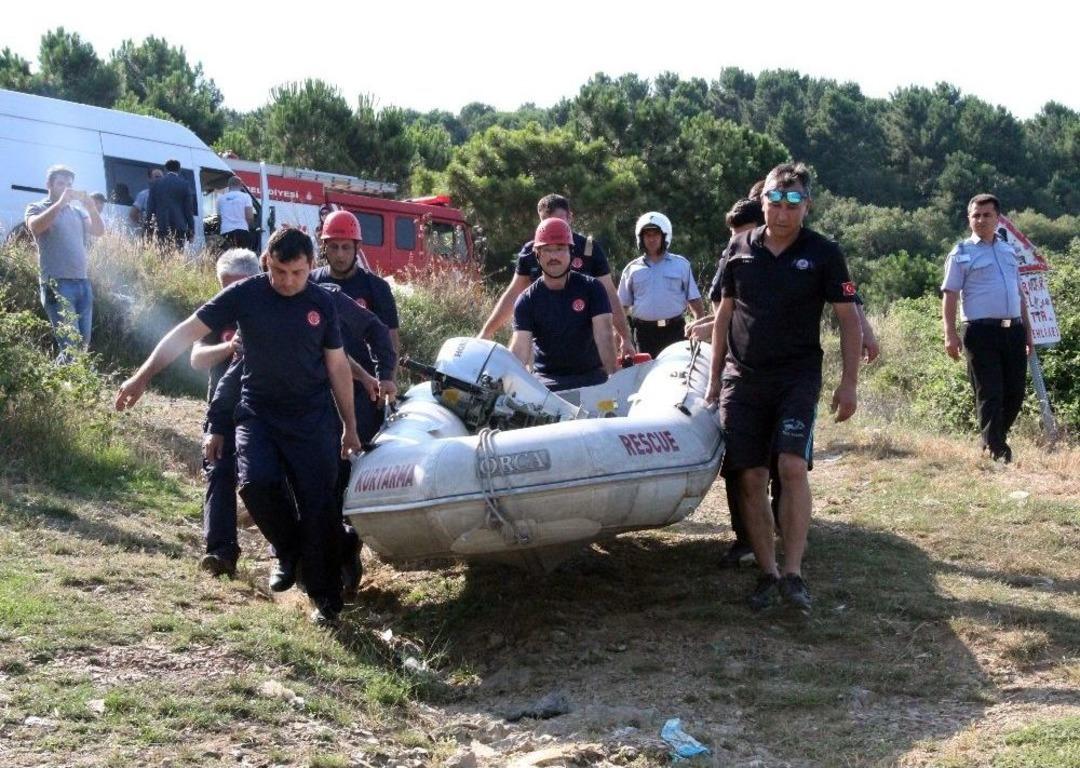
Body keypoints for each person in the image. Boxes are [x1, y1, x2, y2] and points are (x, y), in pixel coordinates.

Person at [115, 227, 362, 626]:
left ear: (310, 266)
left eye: (297, 273)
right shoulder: (246, 294)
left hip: (311, 417)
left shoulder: (321, 303)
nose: (288, 282)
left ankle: (326, 601)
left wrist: (349, 425)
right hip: (258, 413)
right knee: (255, 484)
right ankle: (289, 551)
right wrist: (142, 377)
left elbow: (336, 365)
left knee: (320, 505)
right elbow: (185, 332)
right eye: (279, 272)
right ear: (266, 263)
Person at [705, 162, 863, 615]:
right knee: (750, 475)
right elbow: (723, 315)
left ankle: (794, 574)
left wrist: (848, 384)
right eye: (774, 199)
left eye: (793, 201)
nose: (782, 209)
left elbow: (848, 320)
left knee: (791, 465)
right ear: (763, 202)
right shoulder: (739, 248)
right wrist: (714, 382)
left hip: (797, 377)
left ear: (806, 205)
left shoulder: (824, 252)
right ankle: (768, 573)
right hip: (743, 378)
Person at [478, 194, 634, 358]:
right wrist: (486, 333)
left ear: (570, 217)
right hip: (543, 345)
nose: (554, 227)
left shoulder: (589, 250)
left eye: (559, 220)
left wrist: (625, 338)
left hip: (586, 345)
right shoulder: (531, 252)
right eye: (547, 221)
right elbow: (512, 294)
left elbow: (610, 294)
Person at [942, 193, 1032, 463]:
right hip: (980, 332)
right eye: (976, 215)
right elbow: (950, 294)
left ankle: (991, 440)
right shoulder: (961, 252)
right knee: (990, 391)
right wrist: (950, 334)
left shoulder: (1008, 251)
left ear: (998, 218)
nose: (980, 220)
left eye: (986, 215)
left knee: (1015, 393)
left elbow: (1019, 294)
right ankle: (997, 450)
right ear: (969, 219)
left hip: (1013, 331)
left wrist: (1028, 333)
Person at [189, 249, 262, 577]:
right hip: (221, 412)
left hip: (261, 410)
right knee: (218, 471)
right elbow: (196, 359)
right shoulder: (215, 312)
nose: (230, 294)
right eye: (225, 287)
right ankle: (220, 553)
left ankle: (288, 554)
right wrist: (229, 347)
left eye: (237, 286)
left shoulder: (272, 309)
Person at [510, 217, 616, 391]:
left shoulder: (592, 288)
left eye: (560, 249)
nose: (553, 256)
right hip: (547, 385)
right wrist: (509, 382)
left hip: (591, 379)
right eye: (547, 250)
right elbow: (519, 350)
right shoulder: (526, 300)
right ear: (537, 255)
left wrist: (614, 380)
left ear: (571, 252)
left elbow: (604, 335)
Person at [311, 210, 401, 390]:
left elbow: (390, 340)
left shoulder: (377, 287)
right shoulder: (311, 283)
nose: (340, 255)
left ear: (358, 247)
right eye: (334, 247)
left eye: (346, 247)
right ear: (324, 247)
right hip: (320, 386)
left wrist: (387, 380)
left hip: (366, 386)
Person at [25, 164, 105, 358]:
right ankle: (60, 377)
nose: (66, 188)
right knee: (71, 348)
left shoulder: (77, 212)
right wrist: (60, 203)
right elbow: (35, 227)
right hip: (56, 284)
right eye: (61, 183)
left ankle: (57, 375)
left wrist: (91, 208)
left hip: (82, 283)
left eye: (69, 185)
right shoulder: (37, 207)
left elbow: (99, 231)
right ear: (49, 185)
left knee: (81, 346)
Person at [617, 211, 705, 358]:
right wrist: (622, 338)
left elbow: (694, 300)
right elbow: (621, 307)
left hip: (675, 331)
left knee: (677, 370)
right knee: (646, 371)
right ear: (641, 238)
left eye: (656, 235)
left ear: (664, 236)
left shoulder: (681, 265)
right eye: (647, 235)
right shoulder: (631, 269)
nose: (651, 239)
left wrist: (700, 326)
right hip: (644, 334)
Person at [146, 159, 197, 249]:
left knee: (161, 252)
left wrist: (148, 227)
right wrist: (191, 230)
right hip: (179, 226)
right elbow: (188, 210)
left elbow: (150, 207)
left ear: (165, 169)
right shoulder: (185, 184)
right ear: (179, 170)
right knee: (177, 253)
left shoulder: (156, 183)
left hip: (160, 225)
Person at [217, 176, 254, 250]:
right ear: (241, 185)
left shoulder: (220, 199)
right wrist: (249, 226)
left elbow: (220, 218)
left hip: (225, 231)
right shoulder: (246, 197)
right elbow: (249, 216)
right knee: (242, 255)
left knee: (228, 255)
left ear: (229, 186)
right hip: (242, 231)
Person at [130, 167, 163, 235]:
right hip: (149, 233)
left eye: (161, 177)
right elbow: (133, 214)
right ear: (150, 179)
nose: (160, 179)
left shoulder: (168, 196)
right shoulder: (143, 195)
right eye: (157, 177)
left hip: (164, 233)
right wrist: (144, 225)